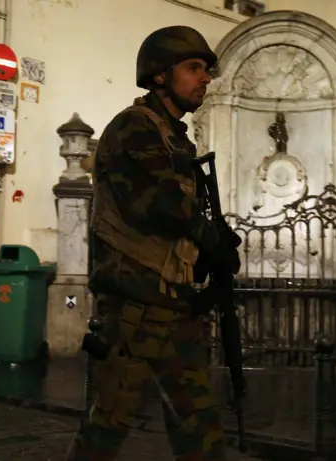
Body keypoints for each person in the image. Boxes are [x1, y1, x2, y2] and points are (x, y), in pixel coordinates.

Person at [65, 26, 239, 461]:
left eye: (206, 70)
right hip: (133, 311)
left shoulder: (175, 137)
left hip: (173, 308)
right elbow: (156, 203)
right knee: (106, 429)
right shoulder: (133, 128)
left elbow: (177, 226)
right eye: (194, 68)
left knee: (201, 430)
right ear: (160, 75)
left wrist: (211, 257)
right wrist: (209, 236)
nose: (205, 78)